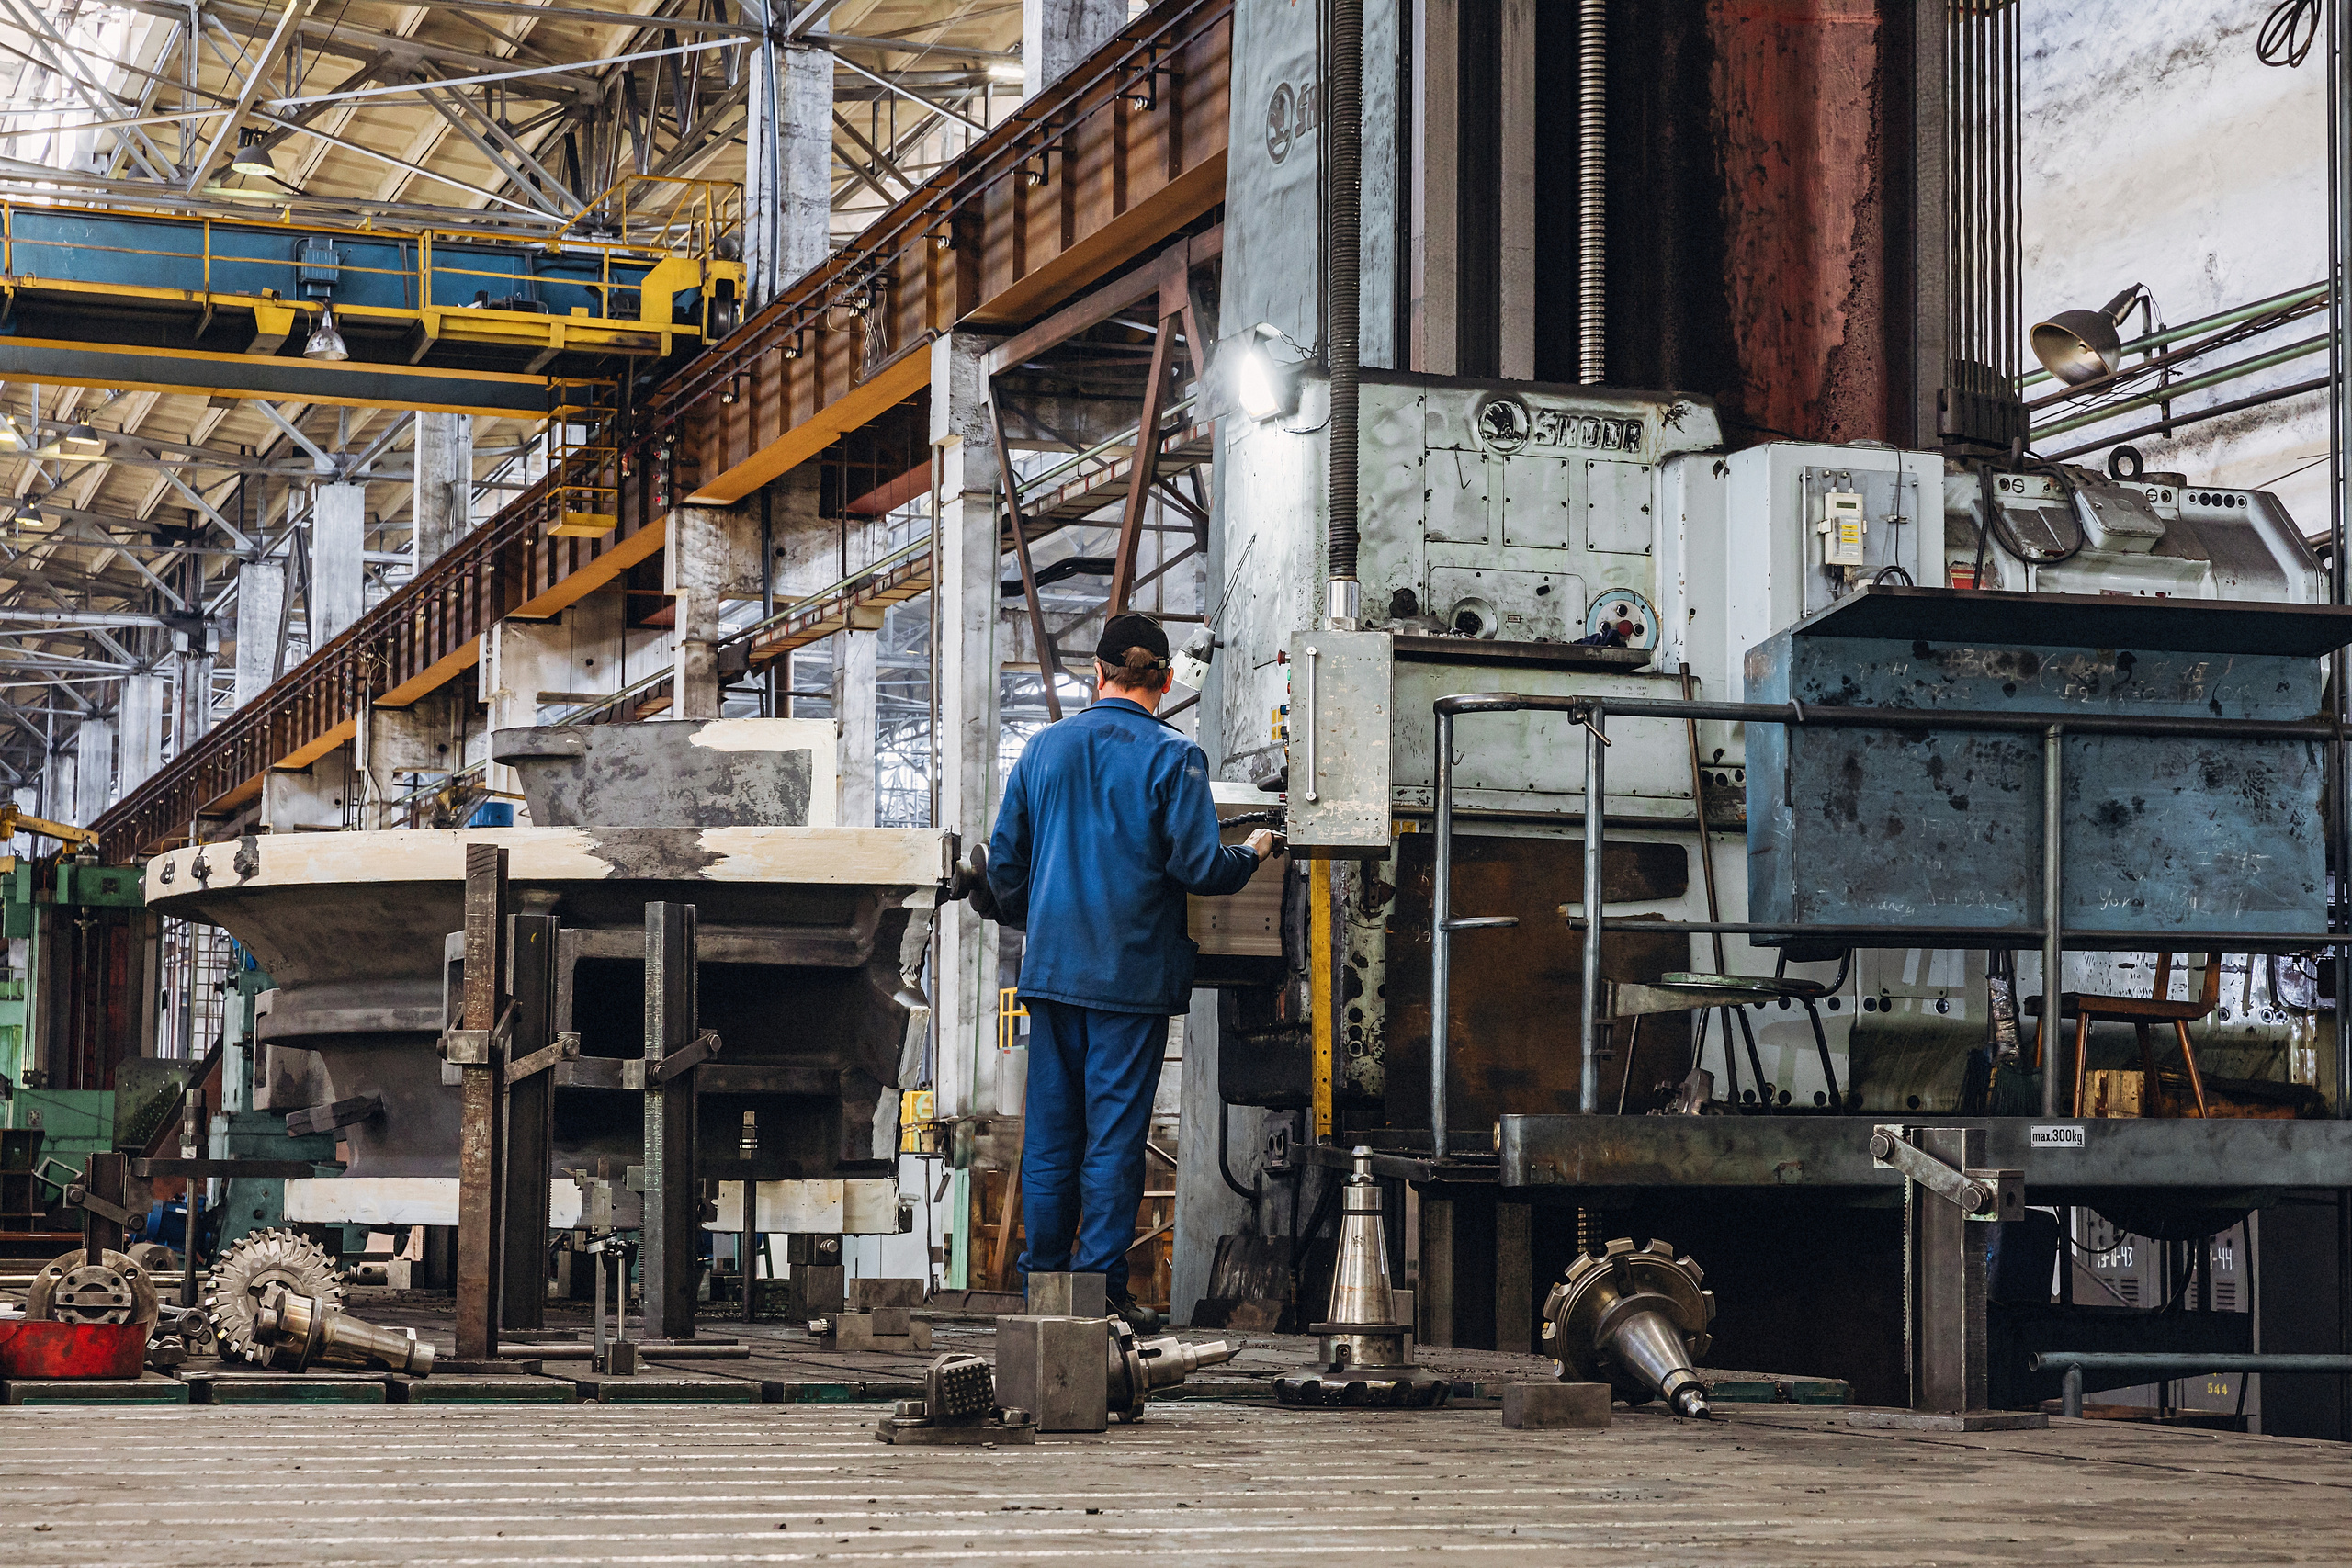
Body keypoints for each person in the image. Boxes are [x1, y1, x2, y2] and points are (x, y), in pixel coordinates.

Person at [986, 612, 1282, 1331]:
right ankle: (1098, 1294)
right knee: (1114, 1141)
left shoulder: (1045, 749)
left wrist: (1047, 913)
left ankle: (1043, 1292)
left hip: (1053, 977)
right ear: (1167, 680)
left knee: (1052, 1138)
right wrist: (1259, 848)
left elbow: (1002, 867)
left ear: (1099, 672)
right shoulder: (1174, 758)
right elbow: (1200, 865)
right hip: (1129, 980)